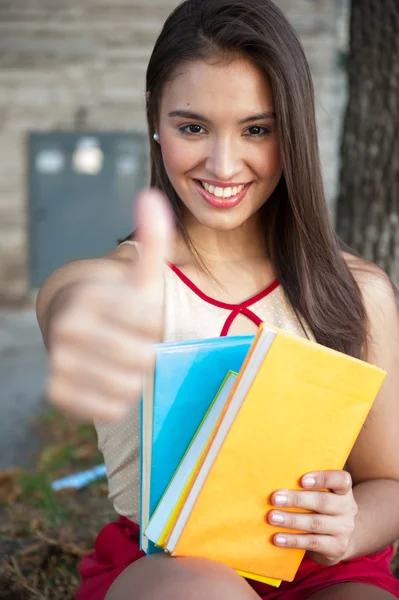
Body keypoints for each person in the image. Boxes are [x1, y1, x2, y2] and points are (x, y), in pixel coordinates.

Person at [36, 0, 399, 598]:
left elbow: (386, 480)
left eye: (257, 129)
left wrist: (351, 526)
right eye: (193, 127)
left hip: (322, 571)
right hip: (173, 572)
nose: (223, 164)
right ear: (156, 122)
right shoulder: (123, 282)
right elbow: (73, 297)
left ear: (293, 131)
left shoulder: (360, 292)